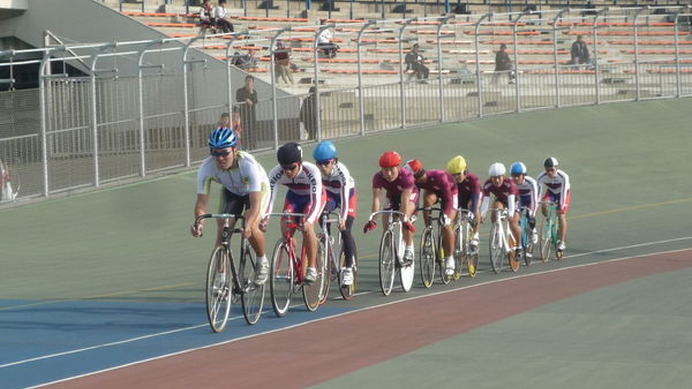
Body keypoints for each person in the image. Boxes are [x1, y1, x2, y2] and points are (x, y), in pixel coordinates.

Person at [190, 127, 270, 285]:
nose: (219, 158)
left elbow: (255, 204)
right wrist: (199, 223)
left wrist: (248, 224)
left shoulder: (248, 164)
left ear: (235, 149)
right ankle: (221, 278)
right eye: (215, 153)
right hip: (231, 192)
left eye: (224, 153)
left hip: (256, 191)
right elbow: (201, 204)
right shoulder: (206, 168)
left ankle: (262, 261)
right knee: (223, 229)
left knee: (251, 225)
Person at [263, 142, 325, 283]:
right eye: (284, 168)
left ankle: (312, 269)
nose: (288, 172)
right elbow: (269, 199)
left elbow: (315, 201)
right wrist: (265, 218)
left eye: (292, 167)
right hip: (294, 197)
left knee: (307, 228)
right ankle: (297, 263)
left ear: (300, 163)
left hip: (314, 198)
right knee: (285, 231)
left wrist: (309, 221)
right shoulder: (275, 173)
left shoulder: (312, 171)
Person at [313, 141, 358, 287]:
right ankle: (328, 237)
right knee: (321, 209)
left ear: (334, 161)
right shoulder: (316, 172)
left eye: (326, 163)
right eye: (319, 164)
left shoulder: (342, 172)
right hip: (331, 196)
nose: (322, 167)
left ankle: (348, 269)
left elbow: (345, 198)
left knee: (346, 230)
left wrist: (343, 218)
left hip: (347, 196)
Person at [364, 151, 418, 265]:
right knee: (386, 224)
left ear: (398, 167)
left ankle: (408, 249)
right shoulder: (378, 177)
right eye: (385, 170)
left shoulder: (406, 177)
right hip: (392, 196)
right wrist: (373, 219)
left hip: (409, 196)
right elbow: (377, 199)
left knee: (405, 218)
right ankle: (392, 252)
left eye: (391, 170)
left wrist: (404, 218)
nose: (388, 174)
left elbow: (404, 202)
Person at [405, 159, 458, 276]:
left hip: (450, 193)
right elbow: (416, 199)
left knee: (446, 225)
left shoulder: (440, 176)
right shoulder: (416, 182)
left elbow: (448, 199)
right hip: (433, 192)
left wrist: (445, 215)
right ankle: (429, 229)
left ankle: (450, 258)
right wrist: (414, 215)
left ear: (417, 175)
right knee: (427, 200)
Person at [480, 162, 522, 256]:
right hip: (501, 200)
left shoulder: (509, 184)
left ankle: (519, 246)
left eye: (499, 177)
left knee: (513, 223)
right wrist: (483, 214)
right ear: (491, 178)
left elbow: (511, 201)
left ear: (503, 176)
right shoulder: (487, 185)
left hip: (514, 201)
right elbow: (485, 201)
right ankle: (497, 231)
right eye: (494, 178)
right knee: (495, 208)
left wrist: (511, 215)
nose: (497, 180)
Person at [447, 155, 482, 253]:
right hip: (460, 199)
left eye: (458, 174)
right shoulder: (451, 181)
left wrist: (472, 213)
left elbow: (475, 199)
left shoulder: (473, 180)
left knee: (473, 206)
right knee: (453, 219)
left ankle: (475, 236)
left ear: (465, 172)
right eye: (452, 175)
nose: (455, 177)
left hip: (473, 197)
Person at [536, 157, 571, 254]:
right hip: (551, 192)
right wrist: (538, 203)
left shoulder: (563, 176)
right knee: (544, 204)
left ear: (556, 168)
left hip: (563, 193)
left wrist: (562, 205)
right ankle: (548, 222)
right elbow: (538, 194)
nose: (550, 173)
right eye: (547, 170)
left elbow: (564, 192)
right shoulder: (541, 177)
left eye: (552, 170)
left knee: (561, 214)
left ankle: (562, 242)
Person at [510, 161, 539, 246]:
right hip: (519, 201)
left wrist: (532, 214)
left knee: (530, 216)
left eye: (518, 176)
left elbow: (535, 199)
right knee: (514, 220)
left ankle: (533, 231)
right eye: (514, 175)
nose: (515, 178)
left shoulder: (531, 182)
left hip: (530, 200)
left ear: (524, 175)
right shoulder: (510, 182)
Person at [235, 75, 258, 150]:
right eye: (247, 81)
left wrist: (251, 92)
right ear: (245, 81)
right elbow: (238, 99)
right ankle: (244, 147)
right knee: (244, 130)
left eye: (250, 81)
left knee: (252, 130)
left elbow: (255, 101)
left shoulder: (254, 91)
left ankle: (253, 146)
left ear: (253, 83)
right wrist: (246, 99)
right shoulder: (240, 90)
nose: (249, 83)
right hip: (243, 113)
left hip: (251, 114)